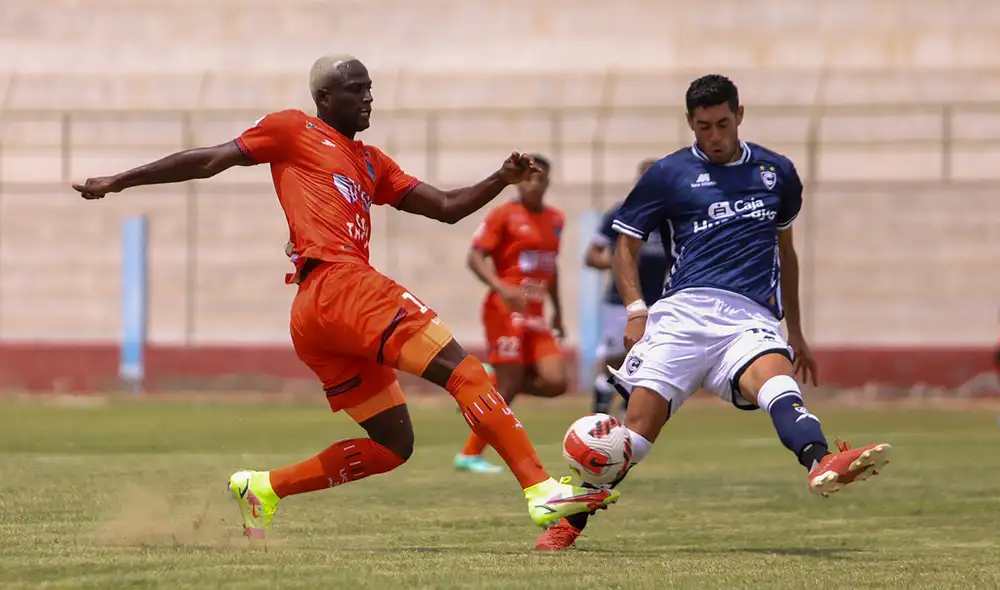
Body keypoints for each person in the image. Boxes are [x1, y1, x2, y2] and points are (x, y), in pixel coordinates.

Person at [72, 55, 619, 541]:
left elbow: (448, 206)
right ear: (324, 98)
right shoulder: (291, 129)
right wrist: (119, 180)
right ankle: (540, 490)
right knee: (467, 372)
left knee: (392, 445)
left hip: (320, 312)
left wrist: (500, 178)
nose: (368, 98)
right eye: (356, 89)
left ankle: (263, 488)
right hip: (338, 285)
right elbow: (208, 160)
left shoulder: (372, 162)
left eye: (371, 88)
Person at [536, 74, 891, 551]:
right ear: (690, 123)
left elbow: (786, 251)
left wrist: (798, 332)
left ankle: (820, 462)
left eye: (723, 124)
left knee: (779, 384)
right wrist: (637, 310)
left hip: (748, 316)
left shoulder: (777, 173)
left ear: (739, 115)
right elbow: (625, 244)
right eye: (704, 127)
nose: (715, 136)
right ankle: (569, 524)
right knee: (635, 434)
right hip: (682, 314)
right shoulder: (668, 174)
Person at [453, 155, 569, 473]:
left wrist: (558, 310)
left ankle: (496, 376)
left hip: (536, 313)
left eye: (540, 178)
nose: (534, 184)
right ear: (521, 181)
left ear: (547, 182)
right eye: (529, 178)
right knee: (510, 383)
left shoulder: (556, 219)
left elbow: (552, 266)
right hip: (504, 310)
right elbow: (475, 257)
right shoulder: (503, 215)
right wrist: (501, 287)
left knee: (556, 382)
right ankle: (469, 455)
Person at [584, 158, 670, 416]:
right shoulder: (622, 212)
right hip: (619, 300)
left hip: (656, 301)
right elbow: (591, 256)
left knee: (645, 360)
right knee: (613, 359)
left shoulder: (671, 219)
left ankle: (626, 414)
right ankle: (599, 413)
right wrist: (622, 263)